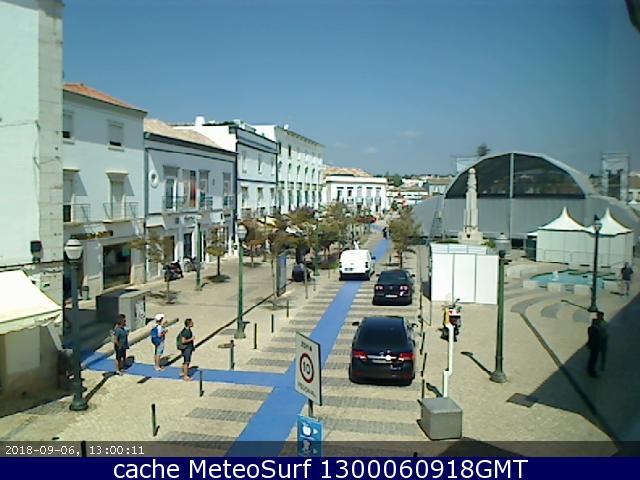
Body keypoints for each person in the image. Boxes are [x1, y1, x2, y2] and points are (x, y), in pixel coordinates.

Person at [586, 311, 608, 378]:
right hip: (595, 344)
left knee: (595, 357)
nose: (600, 317)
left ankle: (595, 368)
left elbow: (604, 334)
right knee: (593, 357)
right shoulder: (594, 325)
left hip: (599, 343)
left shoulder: (603, 323)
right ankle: (591, 370)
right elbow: (592, 332)